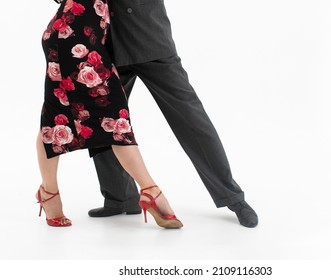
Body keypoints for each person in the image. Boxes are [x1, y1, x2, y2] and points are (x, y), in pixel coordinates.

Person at [87, 0, 259, 228]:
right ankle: (119, 197)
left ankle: (233, 198)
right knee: (103, 121)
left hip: (149, 37)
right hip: (105, 43)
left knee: (191, 119)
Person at [37, 0, 182, 229]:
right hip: (71, 38)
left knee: (70, 118)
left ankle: (49, 193)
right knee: (105, 120)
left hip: (89, 38)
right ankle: (150, 191)